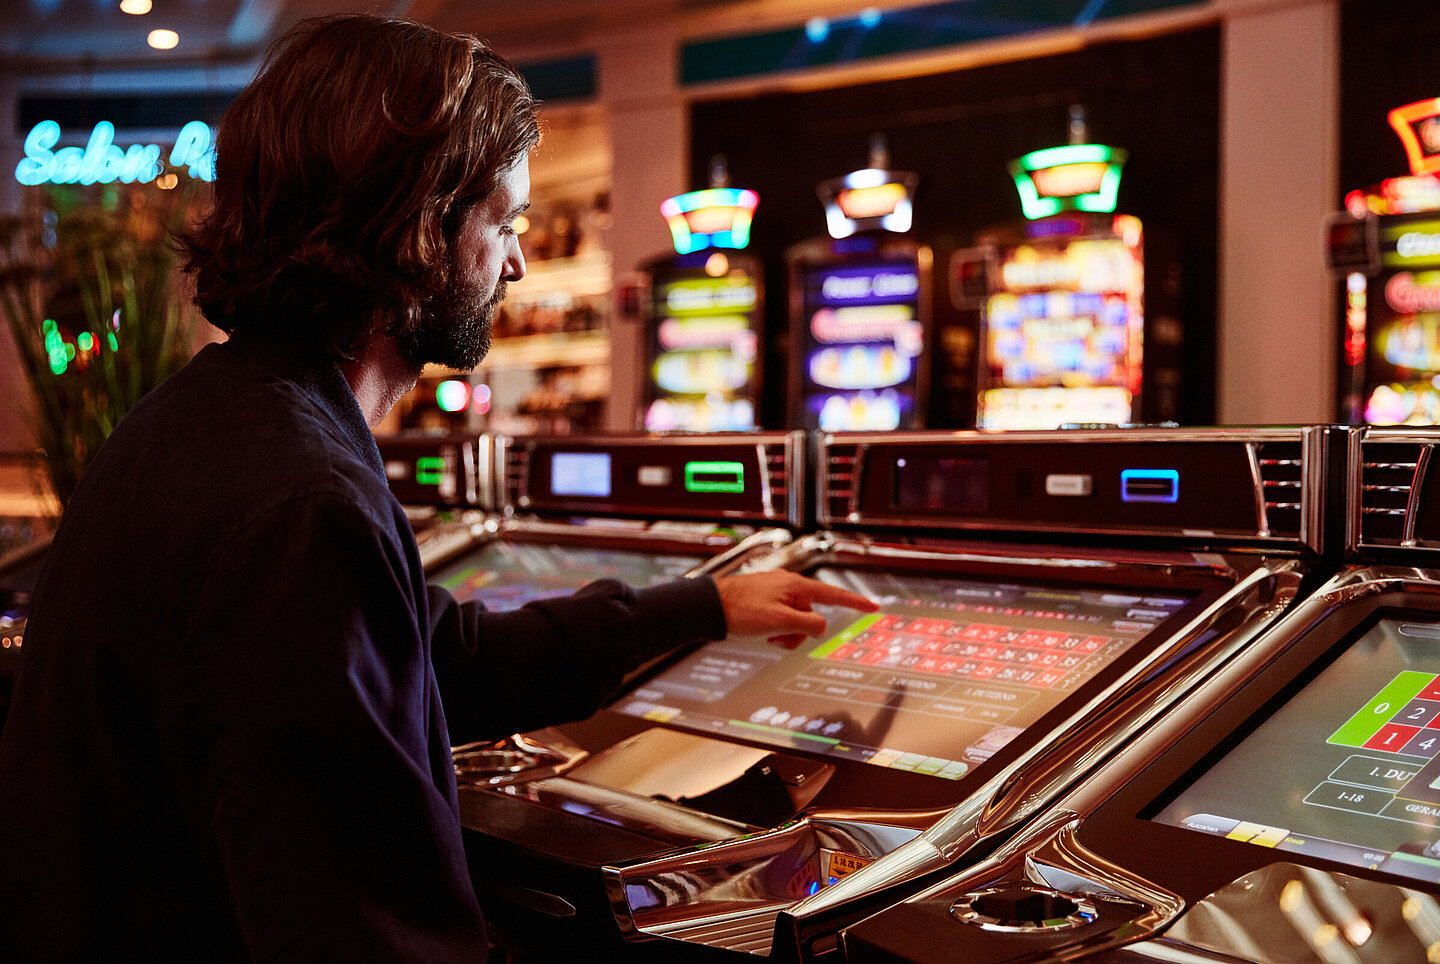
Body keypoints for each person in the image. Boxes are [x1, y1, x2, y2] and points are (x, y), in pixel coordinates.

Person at [0, 14, 876, 962]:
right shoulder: (299, 507)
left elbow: (437, 660)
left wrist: (701, 604)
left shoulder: (214, 418)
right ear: (420, 228)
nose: (518, 261)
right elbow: (367, 930)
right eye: (503, 222)